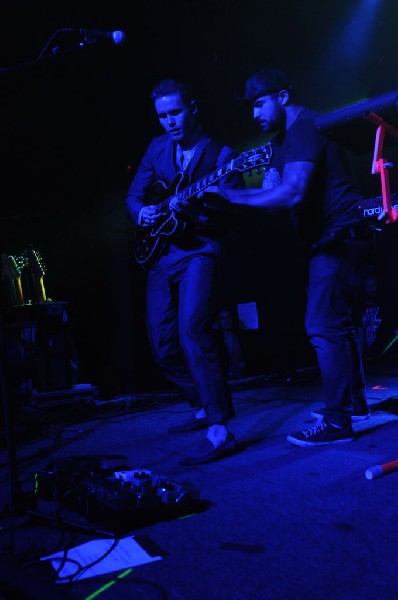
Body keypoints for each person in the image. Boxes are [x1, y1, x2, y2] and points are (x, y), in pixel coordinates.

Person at [203, 67, 376, 446]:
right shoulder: (284, 139)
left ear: (282, 97)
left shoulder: (305, 127)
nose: (254, 114)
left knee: (323, 326)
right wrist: (232, 197)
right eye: (250, 107)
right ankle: (354, 405)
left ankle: (337, 423)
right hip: (333, 241)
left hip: (339, 240)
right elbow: (276, 195)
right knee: (339, 327)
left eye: (259, 103)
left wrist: (233, 196)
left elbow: (292, 193)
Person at [125, 78, 245, 465]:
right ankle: (201, 402)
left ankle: (219, 428)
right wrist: (142, 213)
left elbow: (233, 210)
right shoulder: (157, 148)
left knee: (193, 329)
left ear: (193, 108)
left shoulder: (222, 153)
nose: (170, 122)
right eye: (162, 116)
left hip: (199, 252)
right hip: (161, 255)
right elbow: (132, 197)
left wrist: (200, 210)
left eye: (175, 112)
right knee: (161, 346)